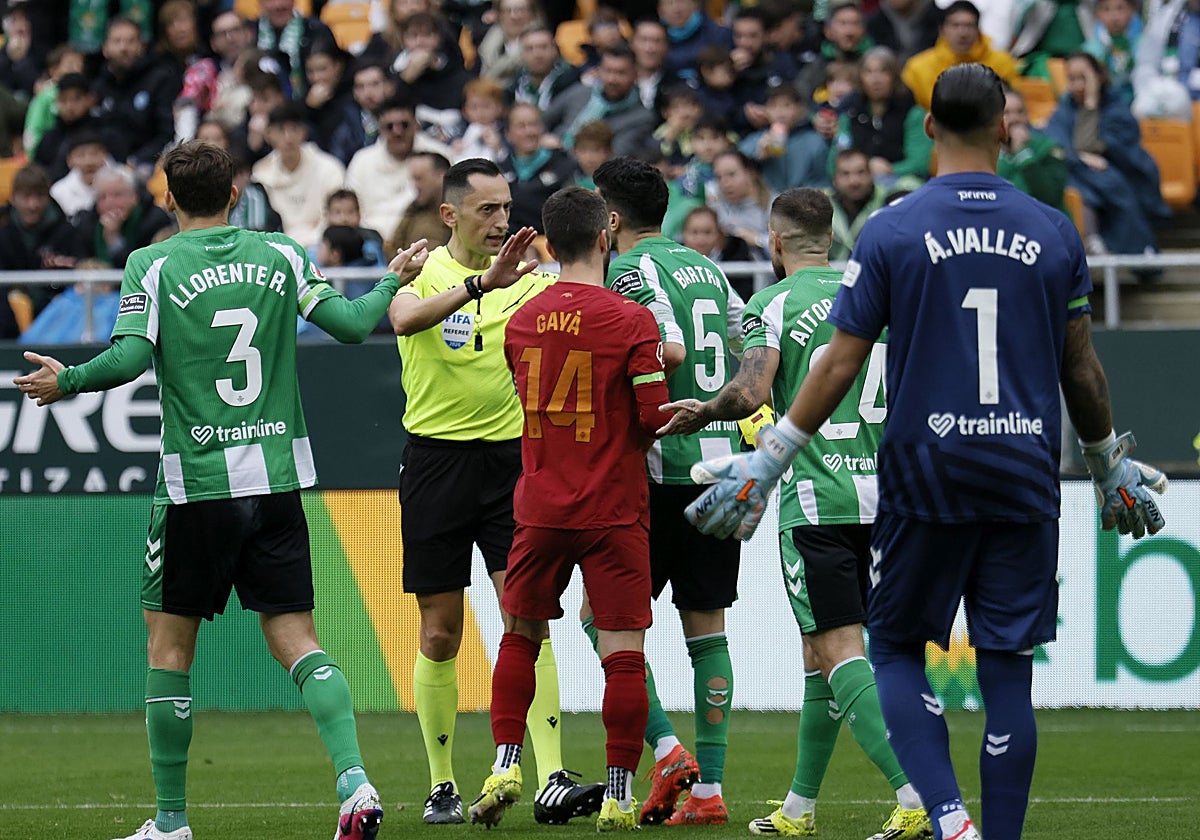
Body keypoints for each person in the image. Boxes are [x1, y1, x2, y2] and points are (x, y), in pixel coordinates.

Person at [675, 63, 1168, 840]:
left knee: (896, 649)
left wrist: (770, 459)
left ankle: (946, 817)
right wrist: (1107, 464)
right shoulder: (1053, 230)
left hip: (924, 472)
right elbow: (1082, 367)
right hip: (1022, 471)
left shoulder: (892, 230)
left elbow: (839, 361)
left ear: (930, 129)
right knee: (1009, 671)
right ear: (1006, 127)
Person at [13, 139, 434, 840]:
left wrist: (69, 380)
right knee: (299, 639)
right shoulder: (282, 255)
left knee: (168, 650)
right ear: (236, 194)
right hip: (275, 482)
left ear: (168, 198)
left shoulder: (151, 262)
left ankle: (172, 823)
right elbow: (357, 327)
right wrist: (389, 282)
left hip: (195, 486)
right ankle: (355, 781)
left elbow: (127, 357)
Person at [659, 186, 931, 840]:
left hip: (817, 498)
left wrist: (705, 409)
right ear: (831, 236)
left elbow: (751, 390)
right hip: (888, 496)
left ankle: (918, 794)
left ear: (775, 242)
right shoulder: (880, 298)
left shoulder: (771, 304)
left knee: (837, 649)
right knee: (819, 654)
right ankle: (798, 809)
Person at [386, 158, 603, 827]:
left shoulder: (536, 282)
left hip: (514, 467)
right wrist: (485, 284)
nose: (502, 221)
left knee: (528, 618)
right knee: (441, 631)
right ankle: (443, 783)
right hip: (435, 465)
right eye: (487, 209)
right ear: (450, 214)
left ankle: (552, 773)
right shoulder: (422, 269)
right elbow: (403, 319)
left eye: (507, 208)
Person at [467, 186, 672, 832]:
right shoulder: (632, 321)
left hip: (540, 507)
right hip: (614, 509)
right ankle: (616, 795)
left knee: (520, 637)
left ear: (549, 245)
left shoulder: (522, 319)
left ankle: (505, 763)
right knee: (623, 655)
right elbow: (652, 416)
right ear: (606, 238)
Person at [589, 156, 746, 827]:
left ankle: (667, 747)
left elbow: (668, 349)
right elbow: (752, 339)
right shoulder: (706, 266)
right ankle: (708, 792)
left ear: (614, 218)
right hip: (721, 472)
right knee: (707, 630)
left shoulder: (629, 269)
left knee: (606, 624)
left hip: (659, 470)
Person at [1045, 51, 1171, 263]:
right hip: (1078, 173)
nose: (1077, 86)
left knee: (1109, 180)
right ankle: (1099, 243)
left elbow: (1112, 146)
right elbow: (1058, 146)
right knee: (1082, 182)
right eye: (1072, 79)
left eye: (1083, 78)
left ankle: (1127, 247)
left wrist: (1091, 104)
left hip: (1120, 170)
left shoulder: (1116, 107)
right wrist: (1082, 157)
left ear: (1098, 77)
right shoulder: (1064, 109)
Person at [901, 1, 1018, 111]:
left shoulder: (1003, 63)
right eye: (955, 25)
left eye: (969, 25)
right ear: (942, 29)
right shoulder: (917, 67)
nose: (962, 33)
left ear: (978, 29)